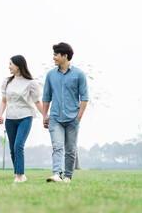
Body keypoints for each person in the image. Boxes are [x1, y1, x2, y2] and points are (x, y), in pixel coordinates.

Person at [42, 42, 89, 183]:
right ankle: (57, 174)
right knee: (57, 147)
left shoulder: (79, 74)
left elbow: (85, 98)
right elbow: (46, 97)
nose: (53, 58)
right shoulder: (50, 75)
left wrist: (78, 117)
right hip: (55, 118)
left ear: (65, 56)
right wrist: (45, 115)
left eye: (56, 55)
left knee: (70, 150)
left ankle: (68, 176)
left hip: (72, 119)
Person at [0, 55, 44, 183]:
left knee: (18, 145)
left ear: (18, 65)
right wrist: (0, 114)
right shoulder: (6, 82)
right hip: (10, 118)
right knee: (12, 149)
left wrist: (45, 115)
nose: (9, 66)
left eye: (11, 64)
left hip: (25, 117)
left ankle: (19, 175)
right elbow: (4, 101)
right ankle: (20, 174)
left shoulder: (31, 83)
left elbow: (37, 102)